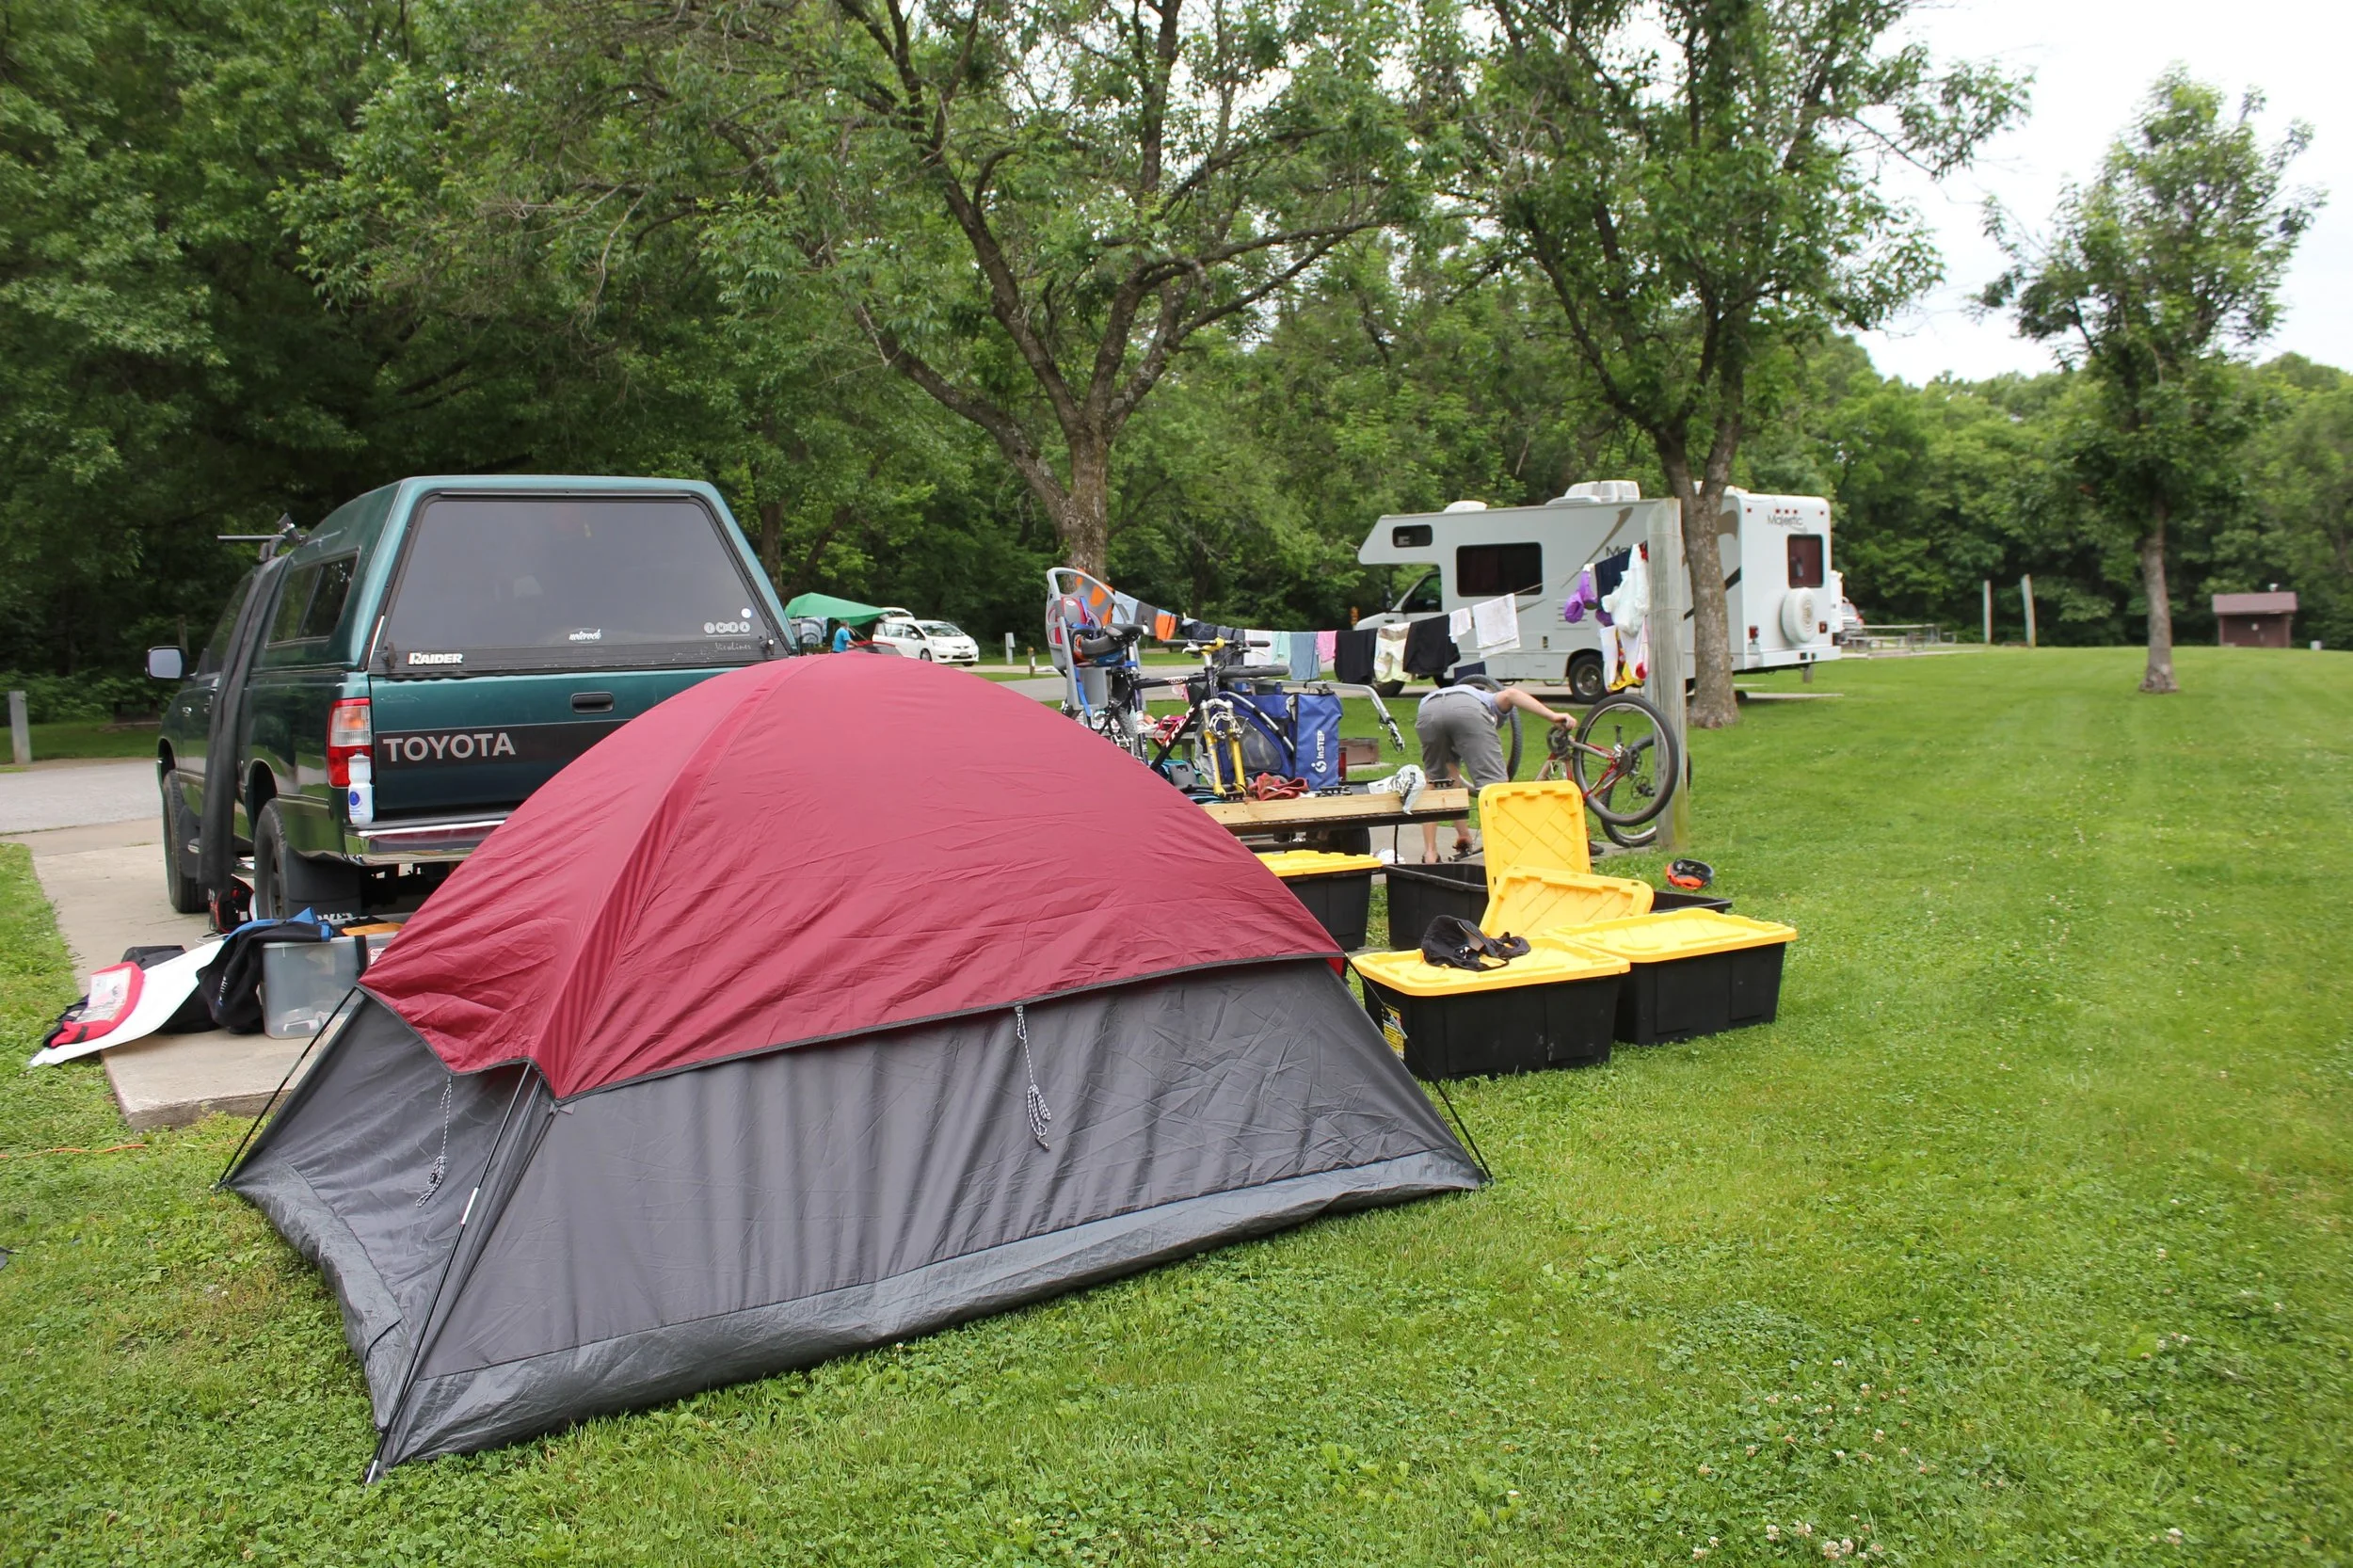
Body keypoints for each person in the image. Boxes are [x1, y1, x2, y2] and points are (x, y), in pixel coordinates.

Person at [1414, 675, 1573, 863]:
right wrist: (1552, 716)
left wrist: (1463, 834)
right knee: (1494, 787)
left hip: (1427, 711)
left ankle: (1430, 854)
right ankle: (1503, 852)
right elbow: (1512, 693)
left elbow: (1453, 783)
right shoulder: (1488, 699)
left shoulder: (1452, 693)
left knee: (1435, 782)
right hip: (1467, 711)